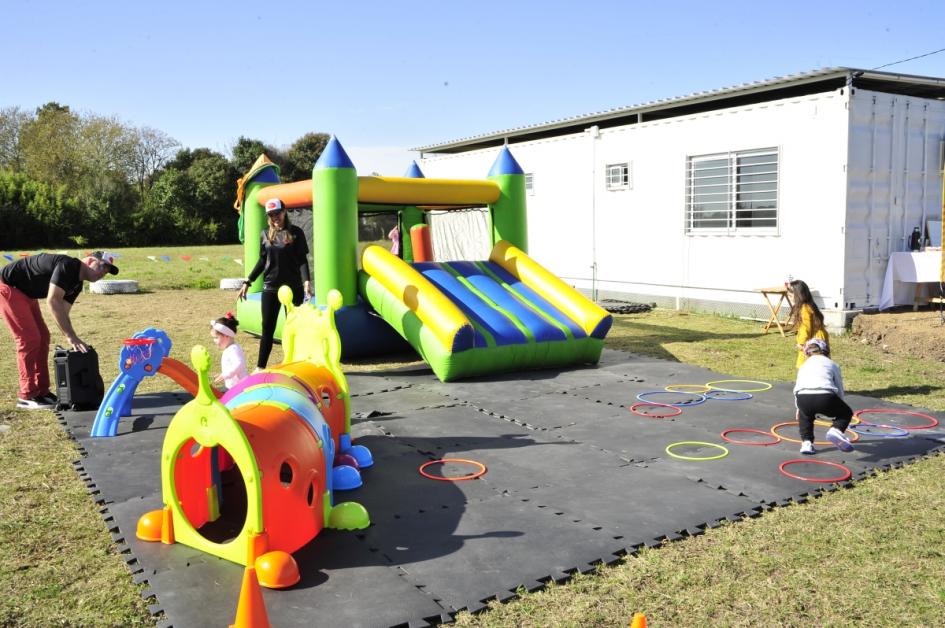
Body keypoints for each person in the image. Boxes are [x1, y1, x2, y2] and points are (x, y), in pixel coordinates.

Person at [0, 251, 117, 410]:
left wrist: (72, 336)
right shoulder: (69, 265)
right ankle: (26, 395)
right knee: (30, 339)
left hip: (27, 293)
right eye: (103, 266)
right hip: (8, 286)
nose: (104, 272)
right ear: (89, 260)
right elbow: (53, 300)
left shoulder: (77, 284)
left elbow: (62, 311)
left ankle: (42, 391)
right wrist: (71, 336)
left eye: (108, 271)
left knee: (43, 337)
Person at [237, 198, 312, 370]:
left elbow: (302, 260)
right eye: (270, 215)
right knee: (267, 329)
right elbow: (263, 261)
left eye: (277, 213)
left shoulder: (296, 233)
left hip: (294, 289)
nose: (274, 217)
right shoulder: (265, 234)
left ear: (284, 212)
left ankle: (296, 366)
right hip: (270, 288)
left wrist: (306, 281)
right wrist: (248, 281)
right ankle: (260, 368)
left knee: (294, 329)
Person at [793, 338, 854, 455]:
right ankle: (836, 430)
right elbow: (839, 387)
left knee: (805, 415)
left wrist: (798, 406)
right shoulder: (832, 364)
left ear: (807, 353)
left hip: (803, 397)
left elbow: (797, 387)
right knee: (846, 413)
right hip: (825, 397)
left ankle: (806, 443)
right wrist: (839, 404)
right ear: (825, 351)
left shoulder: (803, 366)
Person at [787, 279, 828, 369]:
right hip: (817, 339)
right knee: (820, 366)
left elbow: (805, 327)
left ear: (798, 295)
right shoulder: (809, 305)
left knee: (807, 366)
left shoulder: (804, 308)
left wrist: (802, 343)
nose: (790, 299)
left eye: (790, 296)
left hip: (813, 341)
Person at [210, 312, 248, 390]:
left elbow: (240, 364)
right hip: (234, 387)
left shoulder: (233, 349)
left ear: (226, 336)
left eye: (216, 338)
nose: (214, 341)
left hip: (239, 388)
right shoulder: (231, 348)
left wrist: (226, 375)